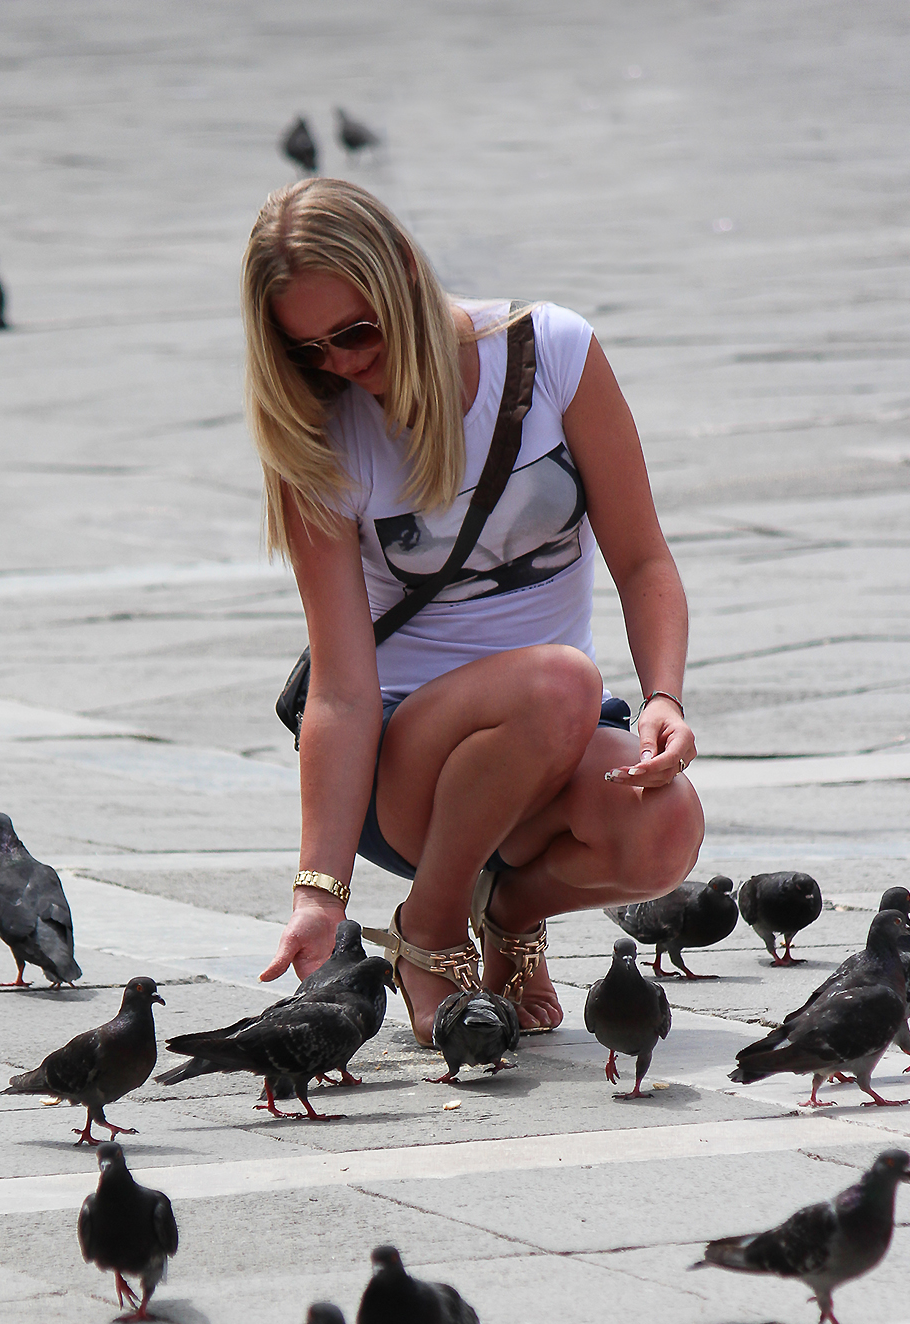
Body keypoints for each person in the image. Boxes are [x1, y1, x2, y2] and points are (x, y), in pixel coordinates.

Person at [241, 178, 704, 1043]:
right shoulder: (320, 430)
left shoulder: (554, 351)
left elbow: (643, 559)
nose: (338, 363)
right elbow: (340, 688)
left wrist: (664, 700)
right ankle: (430, 926)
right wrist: (317, 892)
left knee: (664, 829)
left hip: (559, 732)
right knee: (559, 680)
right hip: (404, 762)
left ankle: (508, 915)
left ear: (406, 280)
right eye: (306, 350)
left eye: (356, 333)